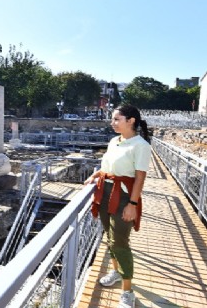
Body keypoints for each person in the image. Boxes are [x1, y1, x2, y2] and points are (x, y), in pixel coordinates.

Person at [84, 104, 151, 308]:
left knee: (120, 242)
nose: (112, 123)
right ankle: (115, 271)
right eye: (112, 119)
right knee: (109, 236)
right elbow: (108, 166)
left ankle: (127, 291)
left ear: (130, 121)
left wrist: (132, 203)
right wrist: (94, 176)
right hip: (104, 192)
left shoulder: (141, 145)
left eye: (116, 119)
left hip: (123, 196)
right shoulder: (114, 140)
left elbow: (139, 178)